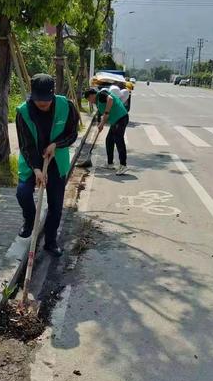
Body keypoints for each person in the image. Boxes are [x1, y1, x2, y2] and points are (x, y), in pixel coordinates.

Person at [16, 74, 79, 257]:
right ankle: (30, 221)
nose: (43, 104)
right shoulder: (23, 112)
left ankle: (50, 242)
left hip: (57, 161)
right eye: (38, 100)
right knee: (23, 193)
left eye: (46, 100)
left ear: (53, 94)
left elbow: (72, 133)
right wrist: (36, 169)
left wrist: (55, 145)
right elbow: (25, 145)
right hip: (32, 161)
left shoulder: (66, 106)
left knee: (56, 205)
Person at [84, 87, 129, 175]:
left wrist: (106, 113)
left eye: (89, 99)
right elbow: (103, 115)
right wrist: (101, 124)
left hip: (120, 118)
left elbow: (110, 99)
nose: (90, 101)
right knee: (109, 140)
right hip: (115, 120)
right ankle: (110, 163)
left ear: (92, 95)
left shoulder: (100, 94)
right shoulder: (98, 102)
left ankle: (123, 165)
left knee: (119, 141)